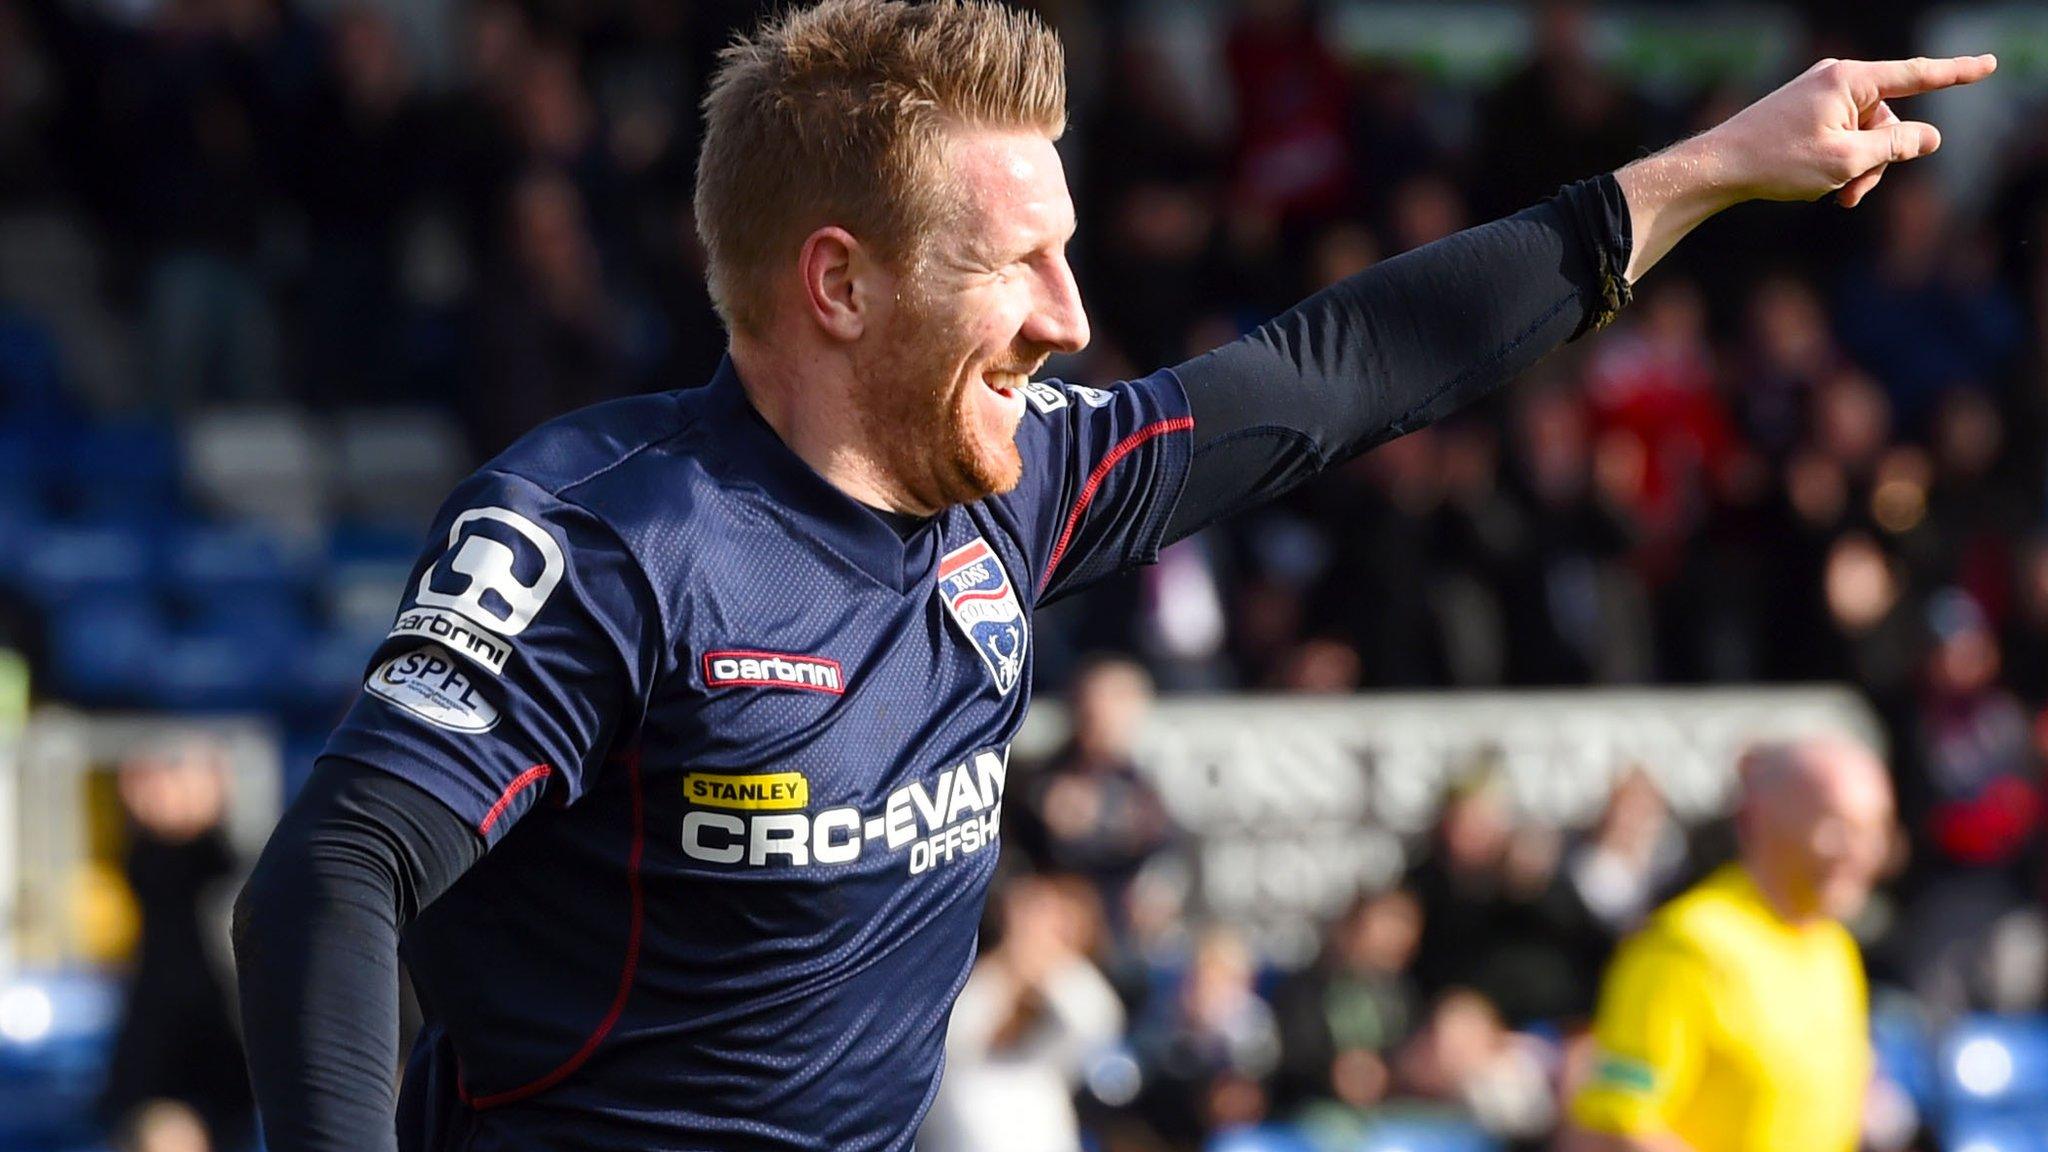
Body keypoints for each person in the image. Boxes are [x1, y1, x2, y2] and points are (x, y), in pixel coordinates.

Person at [229, 0, 1995, 1148]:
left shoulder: (1018, 491)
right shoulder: (607, 533)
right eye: (1021, 267)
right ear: (839, 286)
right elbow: (338, 865)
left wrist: (1701, 173)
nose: (1073, 322)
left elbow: (1336, 371)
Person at [1562, 737, 1896, 1152]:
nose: (1860, 852)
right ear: (1761, 821)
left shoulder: (1834, 947)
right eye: (1836, 826)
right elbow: (1615, 1125)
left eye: (1874, 829)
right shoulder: (1688, 945)